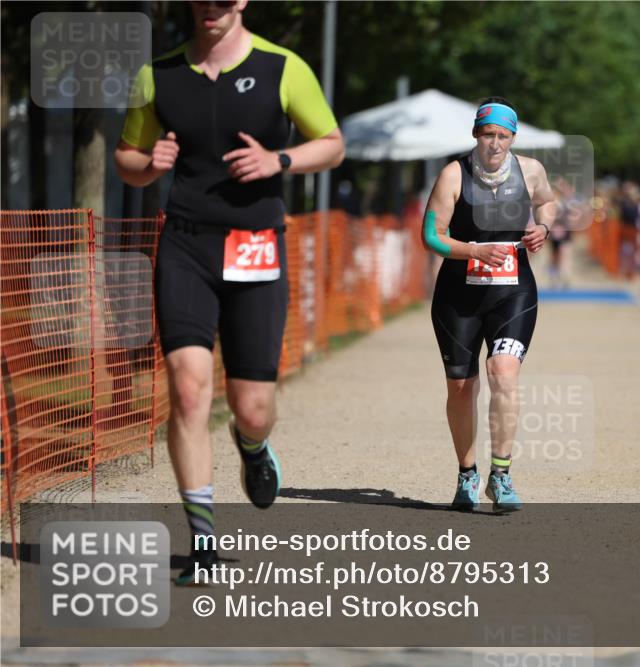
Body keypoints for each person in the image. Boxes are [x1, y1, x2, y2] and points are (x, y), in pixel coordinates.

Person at [114, 0, 345, 584]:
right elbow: (127, 159)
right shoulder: (157, 74)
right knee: (188, 390)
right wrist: (149, 163)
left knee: (253, 408)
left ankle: (252, 444)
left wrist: (279, 159)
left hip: (255, 246)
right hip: (186, 246)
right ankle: (203, 546)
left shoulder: (282, 67)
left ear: (241, 2)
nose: (210, 8)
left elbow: (332, 143)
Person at [422, 97, 551, 512]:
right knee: (462, 387)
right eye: (488, 134)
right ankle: (467, 474)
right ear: (476, 134)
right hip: (458, 296)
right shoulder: (453, 175)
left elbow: (547, 202)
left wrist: (543, 226)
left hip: (513, 292)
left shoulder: (531, 170)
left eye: (503, 136)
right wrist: (473, 250)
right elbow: (431, 235)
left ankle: (501, 474)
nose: (495, 143)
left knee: (503, 372)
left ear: (513, 137)